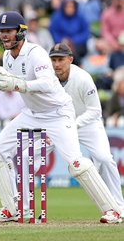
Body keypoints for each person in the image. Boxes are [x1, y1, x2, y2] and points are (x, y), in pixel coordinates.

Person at [0, 11, 122, 223]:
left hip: (58, 113)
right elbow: (6, 80)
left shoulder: (36, 53)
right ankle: (14, 209)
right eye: (1, 32)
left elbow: (45, 83)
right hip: (32, 114)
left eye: (9, 31)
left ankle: (113, 210)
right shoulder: (8, 57)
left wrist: (20, 84)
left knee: (76, 163)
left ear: (20, 32)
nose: (5, 36)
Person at [49, 43, 124, 212]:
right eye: (53, 60)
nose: (57, 64)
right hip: (59, 126)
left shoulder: (83, 78)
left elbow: (95, 111)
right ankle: (18, 207)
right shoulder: (48, 78)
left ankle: (118, 208)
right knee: (28, 154)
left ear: (70, 59)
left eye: (60, 59)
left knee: (104, 159)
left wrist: (73, 125)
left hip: (87, 124)